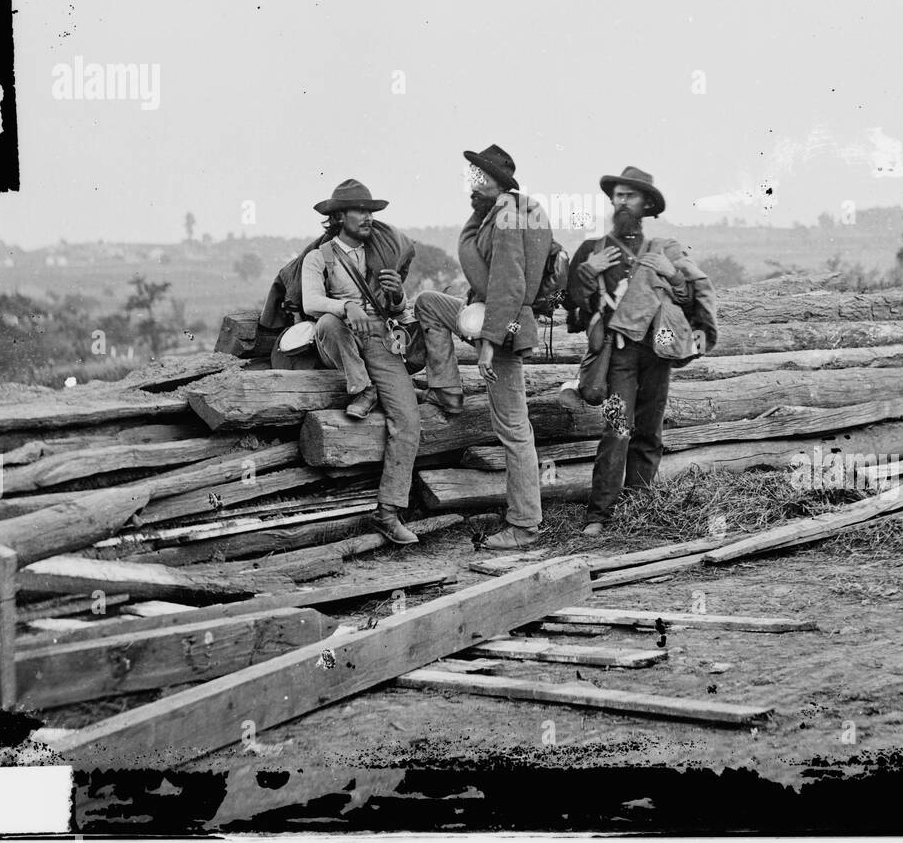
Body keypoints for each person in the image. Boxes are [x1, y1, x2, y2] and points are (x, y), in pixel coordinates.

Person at [565, 166, 718, 537]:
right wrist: (586, 272)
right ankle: (599, 515)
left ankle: (641, 508)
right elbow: (573, 307)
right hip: (618, 355)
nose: (621, 202)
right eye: (617, 195)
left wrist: (674, 274)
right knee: (617, 429)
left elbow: (685, 298)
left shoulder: (665, 250)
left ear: (646, 204)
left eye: (629, 196)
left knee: (649, 431)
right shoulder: (592, 250)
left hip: (658, 352)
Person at [415, 144, 553, 550]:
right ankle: (447, 390)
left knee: (513, 429)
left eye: (480, 179)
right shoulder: (492, 214)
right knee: (428, 303)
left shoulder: (509, 216)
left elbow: (509, 284)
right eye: (470, 178)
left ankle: (525, 525)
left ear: (501, 183)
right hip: (485, 314)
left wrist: (489, 345)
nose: (472, 186)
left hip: (505, 325)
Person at [301, 178, 421, 546]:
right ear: (339, 216)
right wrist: (344, 305)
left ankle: (388, 512)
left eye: (370, 210)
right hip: (340, 337)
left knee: (408, 418)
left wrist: (398, 297)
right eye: (359, 210)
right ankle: (362, 388)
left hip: (379, 338)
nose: (367, 216)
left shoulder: (380, 253)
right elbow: (310, 302)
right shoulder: (319, 257)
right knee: (328, 321)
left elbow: (395, 309)